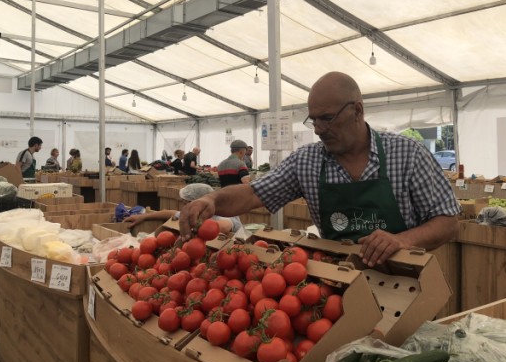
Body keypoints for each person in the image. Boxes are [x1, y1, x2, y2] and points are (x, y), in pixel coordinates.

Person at [181, 72, 460, 267]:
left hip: (404, 281)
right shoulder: (307, 161)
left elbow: (448, 221)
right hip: (337, 281)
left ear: (358, 111)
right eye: (313, 120)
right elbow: (253, 194)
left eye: (327, 118)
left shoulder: (408, 154)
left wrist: (402, 241)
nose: (319, 130)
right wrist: (212, 199)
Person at [124, 183, 241, 234]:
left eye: (186, 203)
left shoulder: (226, 213)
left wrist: (194, 227)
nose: (184, 207)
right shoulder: (195, 213)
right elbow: (172, 213)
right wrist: (144, 217)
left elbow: (225, 226)